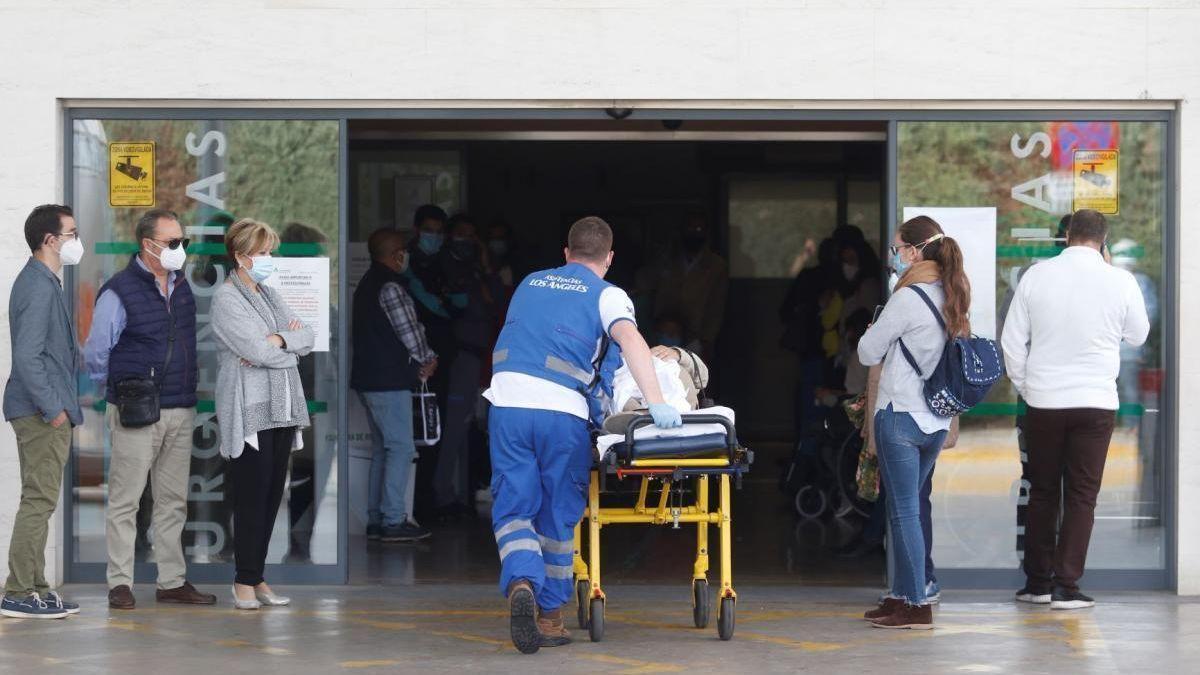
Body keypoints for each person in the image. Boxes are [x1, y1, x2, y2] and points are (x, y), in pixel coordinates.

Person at [486, 216, 682, 654]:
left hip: (508, 405)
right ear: (609, 258)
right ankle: (550, 617)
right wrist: (656, 402)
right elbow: (628, 339)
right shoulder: (608, 294)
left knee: (514, 506)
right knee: (558, 516)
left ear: (566, 252)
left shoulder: (531, 282)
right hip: (562, 413)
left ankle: (521, 579)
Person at [1001, 209, 1149, 611]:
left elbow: (1012, 341)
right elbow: (1138, 334)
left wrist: (1028, 386)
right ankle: (1067, 587)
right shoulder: (1120, 280)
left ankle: (1037, 584)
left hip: (1044, 401)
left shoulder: (1036, 276)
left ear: (1066, 237)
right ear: (1104, 240)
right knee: (1083, 495)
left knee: (1043, 491)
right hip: (1095, 402)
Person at [80, 209, 214, 610]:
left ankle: (171, 581)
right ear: (148, 245)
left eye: (183, 242)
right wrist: (119, 391)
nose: (180, 250)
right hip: (137, 409)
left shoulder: (182, 286)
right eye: (173, 243)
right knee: (127, 499)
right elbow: (96, 352)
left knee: (172, 500)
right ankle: (120, 582)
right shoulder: (119, 290)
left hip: (179, 408)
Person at [857, 215, 971, 629]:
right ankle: (900, 595)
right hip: (936, 422)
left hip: (901, 416)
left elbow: (868, 352)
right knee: (906, 508)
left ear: (915, 250)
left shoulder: (907, 298)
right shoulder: (952, 293)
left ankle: (917, 603)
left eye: (897, 249)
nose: (894, 257)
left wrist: (873, 330)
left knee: (904, 511)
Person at [211, 218, 315, 610]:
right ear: (240, 256)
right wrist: (281, 345)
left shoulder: (269, 293)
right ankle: (242, 581)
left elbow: (308, 335)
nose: (270, 258)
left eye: (271, 251)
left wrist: (281, 339)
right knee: (252, 496)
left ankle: (256, 577)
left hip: (282, 407)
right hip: (250, 410)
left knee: (273, 495)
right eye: (263, 253)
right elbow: (259, 352)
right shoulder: (226, 299)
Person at [1, 205, 84, 619]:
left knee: (40, 499)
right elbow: (29, 357)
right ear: (50, 241)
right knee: (38, 500)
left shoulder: (46, 282)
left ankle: (35, 587)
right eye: (72, 233)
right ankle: (17, 590)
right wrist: (54, 409)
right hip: (40, 411)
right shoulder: (36, 285)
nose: (76, 240)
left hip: (44, 407)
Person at [351, 228, 438, 543]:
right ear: (395, 254)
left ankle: (377, 519)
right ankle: (392, 519)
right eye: (404, 250)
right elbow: (410, 333)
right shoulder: (390, 287)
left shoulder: (367, 284)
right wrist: (428, 358)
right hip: (388, 380)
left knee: (382, 449)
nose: (408, 256)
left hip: (369, 379)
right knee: (400, 448)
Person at [435, 213, 498, 518]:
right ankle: (442, 496)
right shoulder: (446, 267)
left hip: (478, 361)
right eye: (462, 234)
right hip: (459, 359)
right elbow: (455, 306)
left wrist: (484, 262)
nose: (467, 241)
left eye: (472, 236)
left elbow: (494, 299)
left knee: (468, 430)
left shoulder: (474, 268)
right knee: (453, 430)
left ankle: (458, 494)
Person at [653, 214, 729, 360]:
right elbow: (653, 288)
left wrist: (706, 339)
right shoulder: (668, 261)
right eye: (690, 228)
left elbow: (717, 304)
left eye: (699, 229)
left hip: (697, 335)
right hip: (666, 330)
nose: (694, 233)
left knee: (695, 377)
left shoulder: (716, 266)